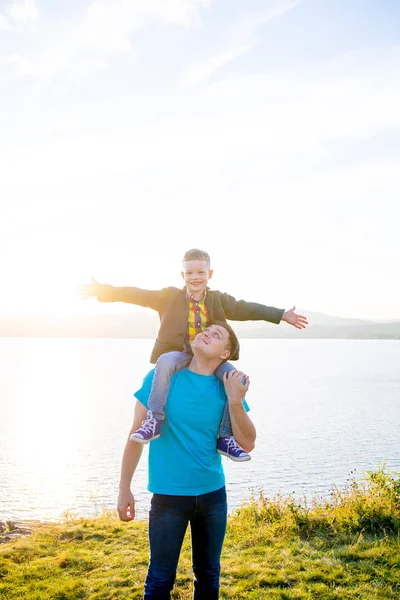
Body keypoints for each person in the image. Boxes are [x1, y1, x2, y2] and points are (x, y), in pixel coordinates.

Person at [79, 248, 307, 461]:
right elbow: (136, 294)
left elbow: (246, 308)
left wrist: (281, 315)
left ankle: (225, 437)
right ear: (182, 274)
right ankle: (155, 421)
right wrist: (102, 291)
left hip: (207, 357)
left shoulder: (218, 299)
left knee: (233, 377)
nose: (195, 277)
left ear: (210, 273)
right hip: (177, 354)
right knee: (165, 361)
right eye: (189, 272)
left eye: (200, 272)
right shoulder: (169, 297)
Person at [117, 321, 256, 599]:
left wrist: (235, 402)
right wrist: (124, 487)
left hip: (213, 497)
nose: (205, 333)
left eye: (216, 335)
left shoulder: (225, 386)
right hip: (169, 496)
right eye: (206, 330)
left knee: (208, 576)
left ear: (224, 354)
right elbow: (135, 433)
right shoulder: (162, 377)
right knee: (159, 579)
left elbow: (248, 442)